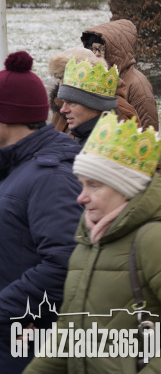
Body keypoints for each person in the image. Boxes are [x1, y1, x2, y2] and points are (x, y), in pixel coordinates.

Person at [26, 114, 161, 373]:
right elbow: (69, 330)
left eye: (94, 186)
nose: (81, 198)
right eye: (82, 185)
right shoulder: (89, 238)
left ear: (126, 189)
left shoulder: (155, 239)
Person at [0, 53, 82, 374]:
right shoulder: (16, 165)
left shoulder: (50, 176)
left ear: (7, 118)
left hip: (24, 338)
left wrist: (5, 307)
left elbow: (66, 263)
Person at [81, 19, 158, 129]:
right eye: (93, 49)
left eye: (101, 49)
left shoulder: (138, 85)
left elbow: (149, 133)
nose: (96, 54)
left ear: (116, 52)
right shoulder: (100, 78)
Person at [56, 57, 123, 143]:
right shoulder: (82, 135)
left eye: (71, 103)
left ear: (96, 106)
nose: (63, 110)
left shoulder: (104, 148)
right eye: (64, 102)